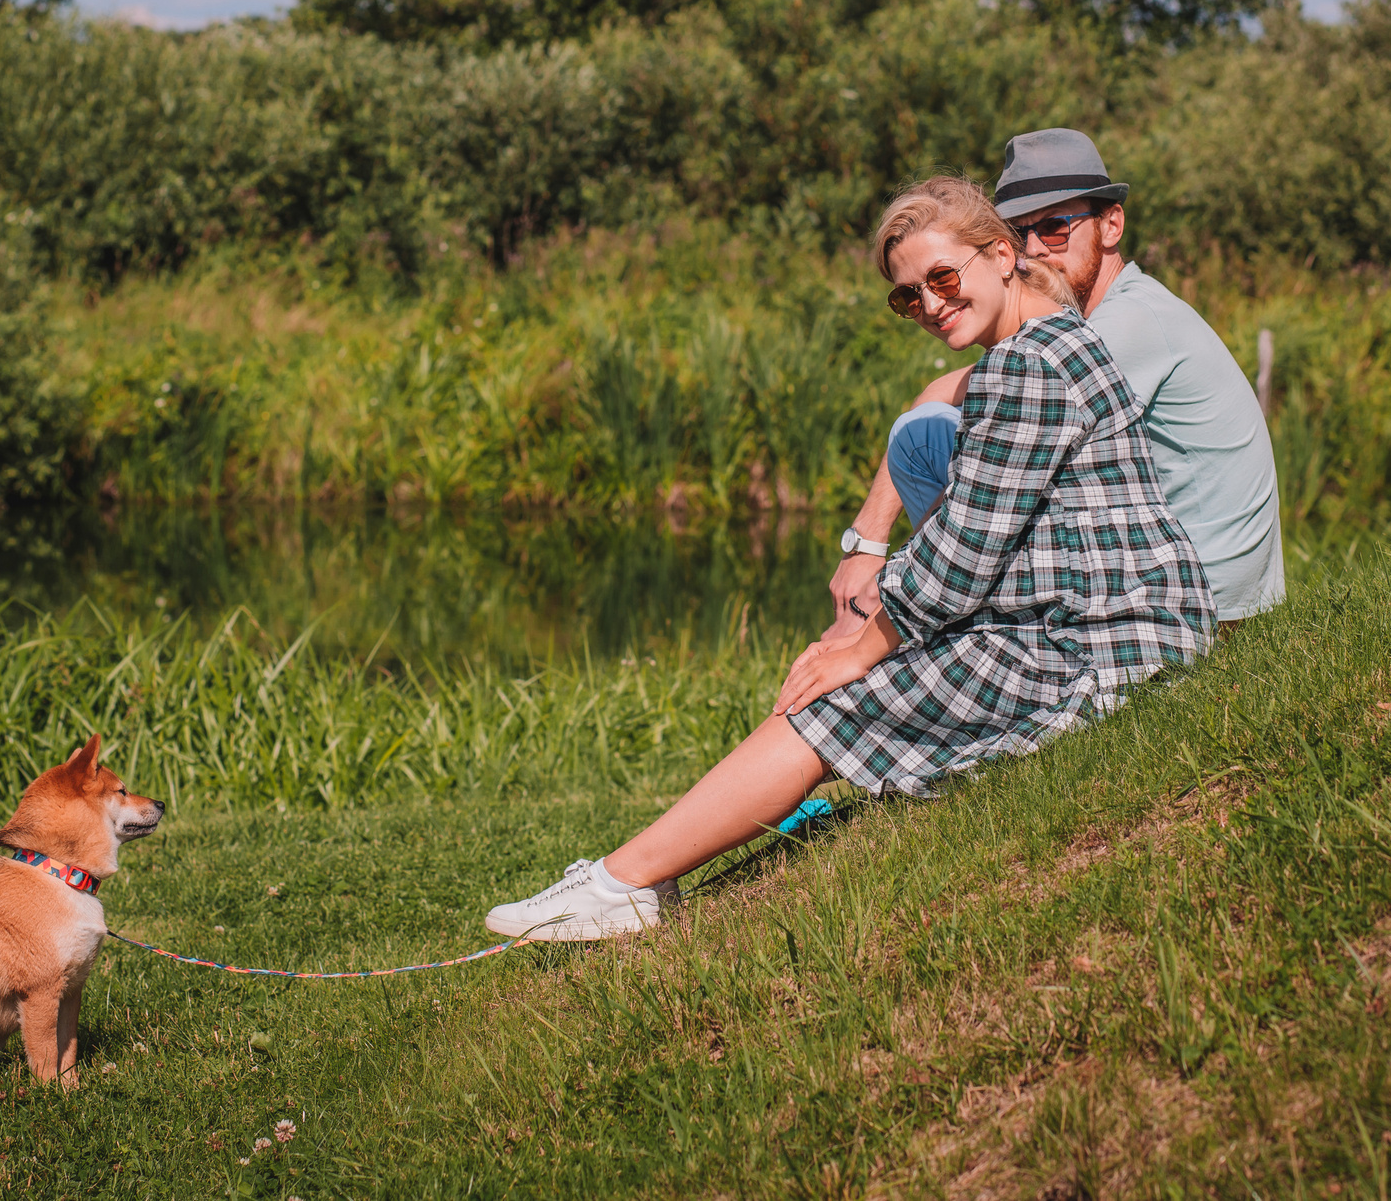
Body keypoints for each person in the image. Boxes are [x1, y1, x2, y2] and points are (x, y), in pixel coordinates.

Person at [482, 178, 1215, 941]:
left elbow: (962, 559)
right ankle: (632, 876)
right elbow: (990, 537)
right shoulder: (1057, 335)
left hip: (1101, 647)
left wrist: (861, 641)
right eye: (908, 296)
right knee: (872, 660)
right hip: (1126, 622)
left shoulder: (1025, 367)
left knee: (827, 699)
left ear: (1001, 255)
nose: (930, 304)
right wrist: (878, 614)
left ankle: (622, 886)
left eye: (942, 278)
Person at [830, 129, 1284, 631]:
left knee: (930, 440)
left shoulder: (1123, 325)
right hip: (1166, 572)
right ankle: (939, 618)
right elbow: (944, 403)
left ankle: (928, 621)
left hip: (1200, 604)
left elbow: (971, 456)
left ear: (1111, 225)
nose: (1034, 251)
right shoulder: (1089, 322)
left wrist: (871, 555)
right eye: (1019, 232)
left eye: (1054, 227)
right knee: (925, 434)